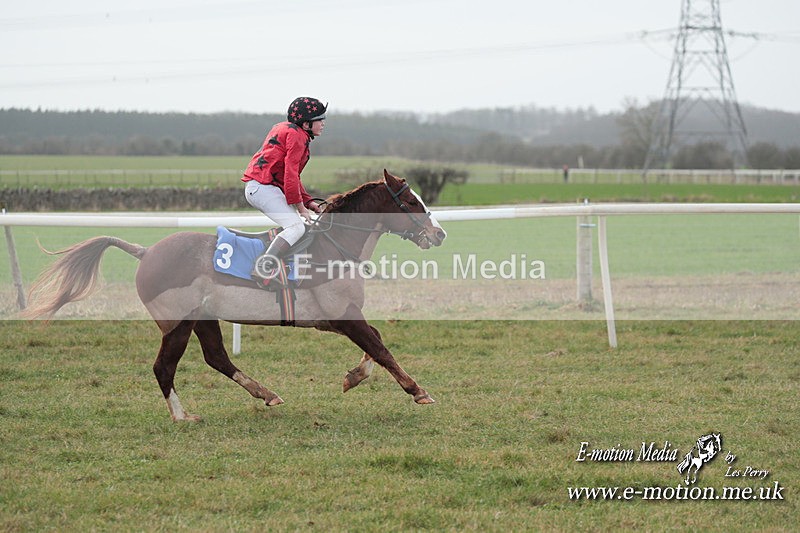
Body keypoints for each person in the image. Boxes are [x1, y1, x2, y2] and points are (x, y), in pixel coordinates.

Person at [242, 97, 327, 278]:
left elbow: (292, 176)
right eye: (319, 119)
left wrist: (308, 201)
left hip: (262, 187)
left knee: (297, 226)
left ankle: (283, 267)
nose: (323, 123)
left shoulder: (286, 129)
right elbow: (290, 175)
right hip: (263, 188)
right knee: (296, 227)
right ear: (306, 124)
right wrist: (301, 208)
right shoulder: (298, 136)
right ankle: (263, 267)